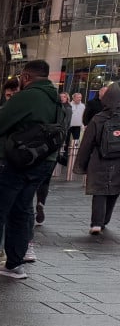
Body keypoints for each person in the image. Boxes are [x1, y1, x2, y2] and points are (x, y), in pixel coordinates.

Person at [0, 59, 60, 280]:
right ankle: (14, 264)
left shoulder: (28, 96)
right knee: (21, 211)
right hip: (41, 163)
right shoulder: (56, 100)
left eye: (21, 76)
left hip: (13, 162)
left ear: (27, 77)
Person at [73, 82, 120, 235]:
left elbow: (87, 143)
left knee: (99, 191)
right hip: (118, 161)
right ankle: (105, 220)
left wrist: (81, 165)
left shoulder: (98, 118)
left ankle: (96, 223)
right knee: (114, 190)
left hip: (99, 159)